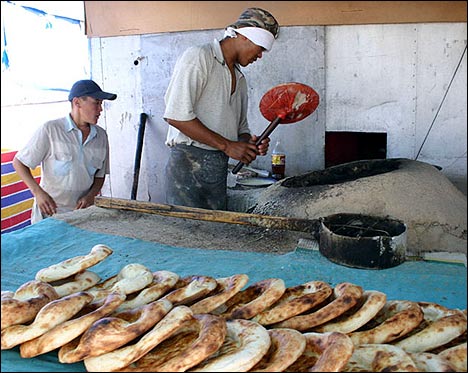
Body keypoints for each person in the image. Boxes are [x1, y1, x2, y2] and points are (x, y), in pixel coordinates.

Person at [163, 7, 279, 210]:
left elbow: (241, 129)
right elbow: (176, 116)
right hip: (187, 164)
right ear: (244, 36)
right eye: (260, 48)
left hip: (217, 167)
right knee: (185, 234)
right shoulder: (199, 57)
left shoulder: (240, 78)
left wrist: (247, 145)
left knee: (213, 234)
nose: (259, 56)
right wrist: (227, 146)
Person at [13, 79, 117, 224]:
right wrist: (38, 193)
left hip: (82, 216)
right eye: (97, 103)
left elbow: (99, 177)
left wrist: (91, 196)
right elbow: (19, 162)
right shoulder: (50, 130)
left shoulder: (101, 136)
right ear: (77, 102)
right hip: (50, 215)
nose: (100, 109)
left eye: (101, 104)